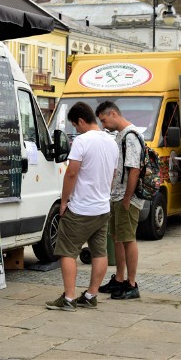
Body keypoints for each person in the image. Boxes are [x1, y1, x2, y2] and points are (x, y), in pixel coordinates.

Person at [45, 102, 118, 311]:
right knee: (99, 252)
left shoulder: (82, 141)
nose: (76, 130)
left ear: (81, 121)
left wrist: (65, 201)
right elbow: (112, 175)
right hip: (103, 208)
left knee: (67, 252)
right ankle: (91, 295)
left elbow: (71, 173)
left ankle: (68, 298)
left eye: (76, 126)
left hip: (81, 208)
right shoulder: (111, 142)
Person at [95, 101, 143, 300]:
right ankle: (120, 279)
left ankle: (131, 284)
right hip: (117, 195)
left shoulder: (130, 136)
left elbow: (134, 169)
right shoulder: (121, 135)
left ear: (113, 114)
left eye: (104, 120)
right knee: (118, 238)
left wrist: (126, 198)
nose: (103, 126)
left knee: (128, 238)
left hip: (126, 197)